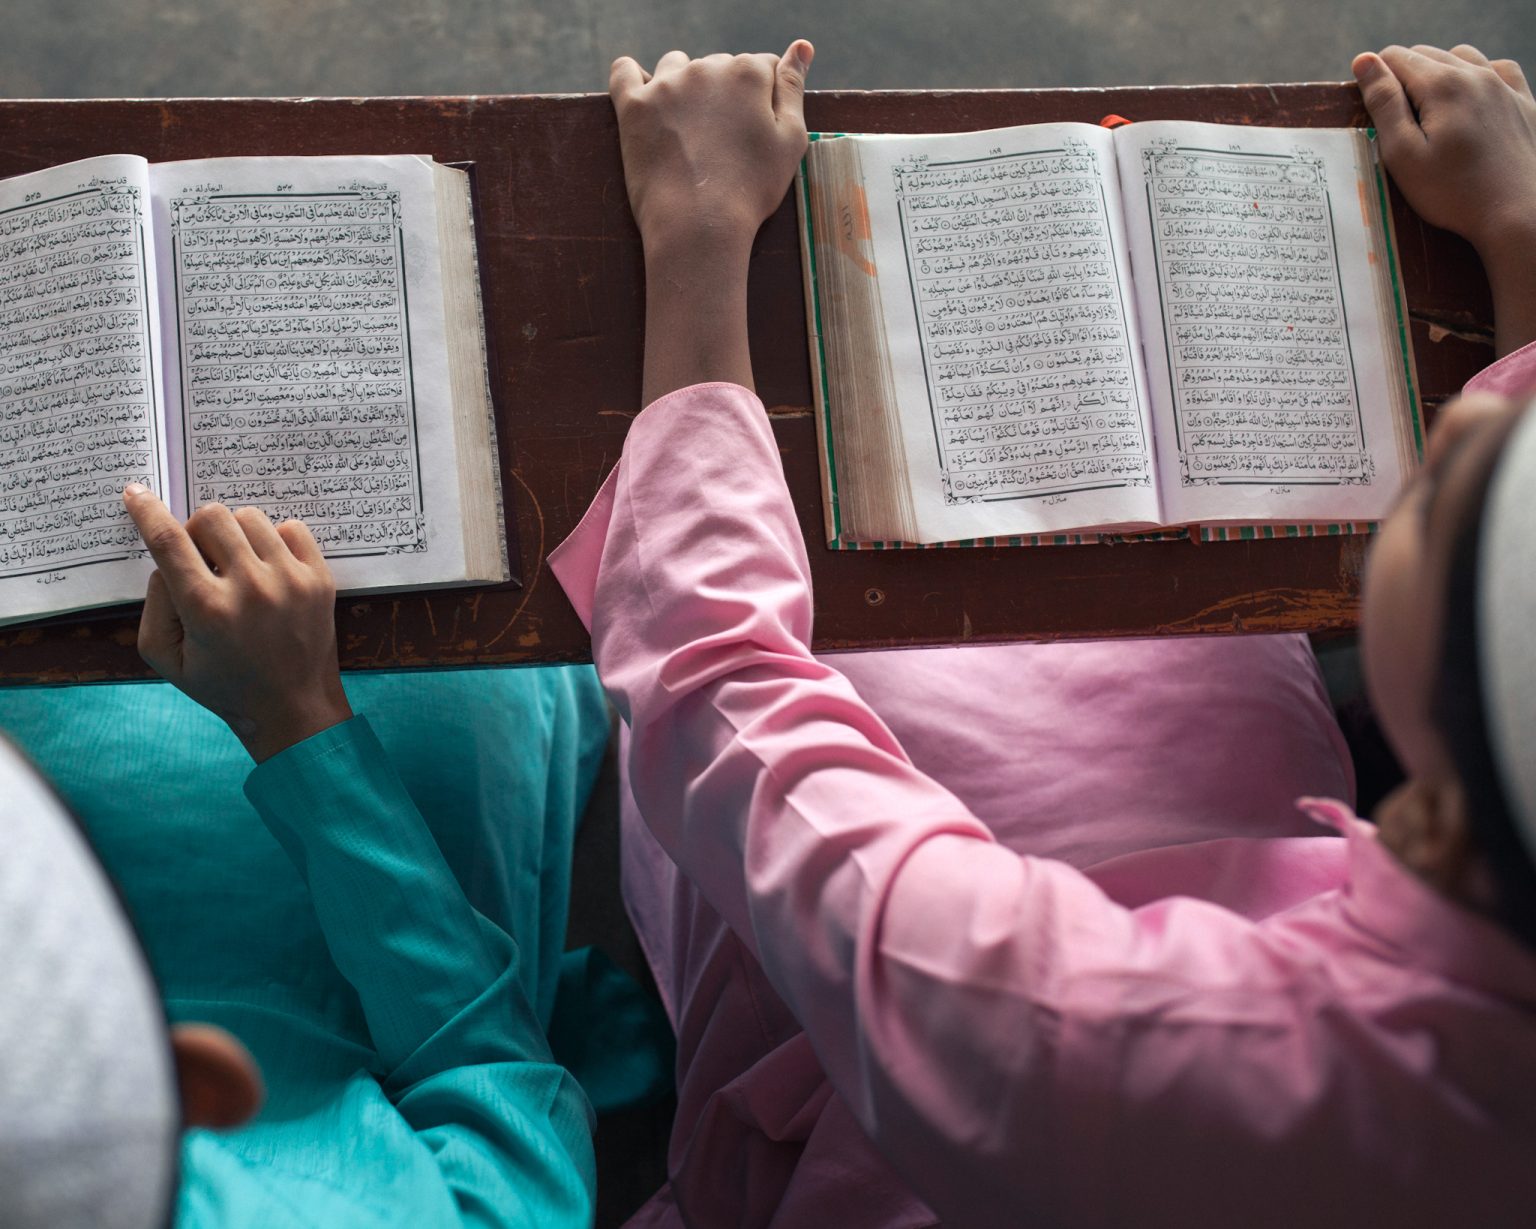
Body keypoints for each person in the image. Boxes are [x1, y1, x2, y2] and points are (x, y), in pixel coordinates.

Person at [548, 40, 1536, 1227]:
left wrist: (698, 243)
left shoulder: (1093, 1032)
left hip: (881, 1055)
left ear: (1441, 733)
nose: (1481, 430)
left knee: (841, 641)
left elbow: (717, 684)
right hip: (1224, 873)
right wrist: (1522, 246)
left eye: (1458, 497)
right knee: (1199, 624)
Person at [0, 494, 608, 1227]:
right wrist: (296, 712)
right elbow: (498, 1080)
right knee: (507, 597)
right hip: (381, 909)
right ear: (204, 1082)